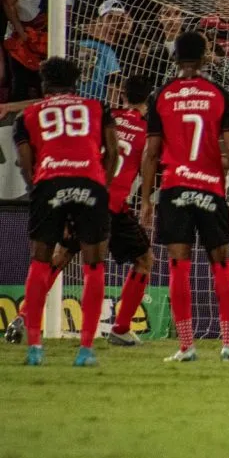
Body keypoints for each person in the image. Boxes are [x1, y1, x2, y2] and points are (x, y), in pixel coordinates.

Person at [5, 75, 157, 348]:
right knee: (144, 260)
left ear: (122, 95)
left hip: (81, 193)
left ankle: (23, 317)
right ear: (148, 101)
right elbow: (152, 163)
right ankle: (120, 328)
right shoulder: (147, 130)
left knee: (61, 256)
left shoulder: (100, 116)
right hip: (112, 203)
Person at [140, 31, 229, 363]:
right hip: (210, 188)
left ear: (175, 59)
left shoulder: (161, 95)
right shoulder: (218, 93)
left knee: (178, 268)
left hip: (174, 188)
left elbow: (151, 153)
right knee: (222, 265)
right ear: (203, 58)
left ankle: (187, 346)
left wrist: (145, 199)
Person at [12, 57, 118, 366]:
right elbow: (112, 152)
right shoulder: (97, 107)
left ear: (45, 84)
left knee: (40, 260)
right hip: (89, 180)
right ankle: (86, 349)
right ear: (76, 83)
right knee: (93, 265)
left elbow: (25, 162)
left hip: (49, 182)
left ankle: (35, 348)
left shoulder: (28, 114)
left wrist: (39, 192)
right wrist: (102, 187)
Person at [3, 0, 59, 101]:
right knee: (19, 83)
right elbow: (8, 2)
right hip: (21, 36)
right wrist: (21, 31)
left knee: (45, 85)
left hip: (45, 39)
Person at [75, 0, 133, 104]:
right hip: (93, 104)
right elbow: (112, 88)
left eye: (120, 18)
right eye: (110, 17)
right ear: (99, 20)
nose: (115, 22)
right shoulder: (85, 44)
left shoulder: (126, 49)